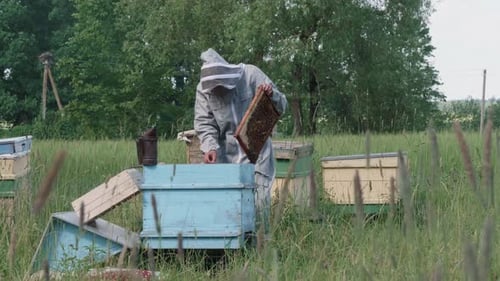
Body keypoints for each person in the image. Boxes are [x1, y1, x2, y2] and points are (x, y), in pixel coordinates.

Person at [194, 48, 287, 235]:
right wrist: (210, 147)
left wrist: (271, 95)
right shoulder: (203, 90)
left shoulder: (251, 75)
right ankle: (231, 250)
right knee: (226, 205)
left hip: (257, 148)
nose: (218, 91)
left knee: (259, 202)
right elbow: (204, 123)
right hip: (225, 154)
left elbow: (281, 105)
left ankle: (260, 246)